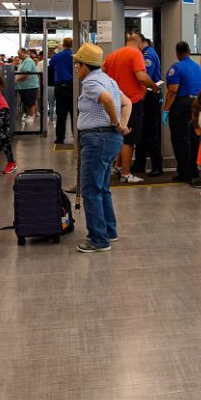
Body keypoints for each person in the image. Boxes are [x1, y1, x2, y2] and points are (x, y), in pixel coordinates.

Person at [73, 43, 131, 253]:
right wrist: (122, 125)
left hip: (98, 138)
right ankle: (109, 230)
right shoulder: (109, 80)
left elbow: (106, 100)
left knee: (91, 190)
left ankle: (99, 239)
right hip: (111, 139)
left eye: (76, 64)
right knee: (102, 187)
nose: (75, 68)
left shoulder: (90, 82)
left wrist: (116, 123)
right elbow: (127, 103)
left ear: (83, 65)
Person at [103, 33, 159, 184]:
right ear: (140, 44)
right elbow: (141, 77)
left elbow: (103, 72)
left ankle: (118, 166)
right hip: (132, 102)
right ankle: (126, 173)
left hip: (116, 101)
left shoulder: (113, 55)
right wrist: (153, 86)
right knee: (129, 138)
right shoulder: (136, 54)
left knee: (118, 135)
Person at [163, 42, 201, 185]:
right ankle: (194, 169)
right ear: (189, 51)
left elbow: (173, 91)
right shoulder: (199, 68)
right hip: (196, 105)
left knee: (180, 139)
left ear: (177, 52)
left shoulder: (177, 68)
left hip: (182, 104)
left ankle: (184, 173)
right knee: (194, 138)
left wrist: (166, 109)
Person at [132, 37, 163, 177]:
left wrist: (140, 98)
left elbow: (145, 79)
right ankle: (139, 164)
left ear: (140, 43)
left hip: (149, 96)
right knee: (142, 132)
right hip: (146, 96)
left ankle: (157, 166)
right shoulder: (144, 54)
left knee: (151, 132)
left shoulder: (148, 55)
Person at [50, 37, 75, 144]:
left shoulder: (57, 56)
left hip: (60, 88)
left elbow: (51, 64)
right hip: (73, 88)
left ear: (63, 45)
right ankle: (76, 135)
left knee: (61, 114)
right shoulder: (75, 56)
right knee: (74, 113)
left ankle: (60, 138)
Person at [14, 48, 39, 127]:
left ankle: (31, 116)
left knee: (30, 102)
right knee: (27, 102)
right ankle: (28, 115)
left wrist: (16, 80)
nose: (18, 56)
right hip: (24, 87)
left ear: (24, 53)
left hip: (30, 86)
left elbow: (25, 74)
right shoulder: (23, 61)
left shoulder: (28, 61)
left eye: (19, 54)